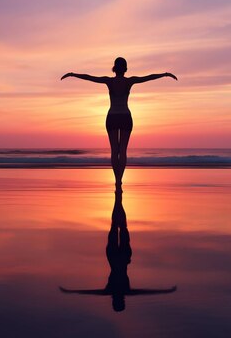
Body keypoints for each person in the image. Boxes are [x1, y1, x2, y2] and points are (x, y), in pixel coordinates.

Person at [61, 57, 177, 189]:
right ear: (125, 68)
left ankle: (117, 179)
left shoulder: (109, 81)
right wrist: (165, 74)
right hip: (125, 117)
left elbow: (90, 77)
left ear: (114, 68)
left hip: (113, 117)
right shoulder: (129, 81)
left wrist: (72, 74)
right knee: (122, 151)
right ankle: (119, 179)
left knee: (114, 151)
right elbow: (148, 77)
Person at [59, 190, 177, 312]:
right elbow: (147, 292)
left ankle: (118, 197)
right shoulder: (119, 292)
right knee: (119, 226)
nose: (119, 299)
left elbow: (87, 293)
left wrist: (71, 291)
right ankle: (118, 197)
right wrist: (165, 291)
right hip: (119, 258)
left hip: (118, 258)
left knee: (117, 226)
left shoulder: (117, 292)